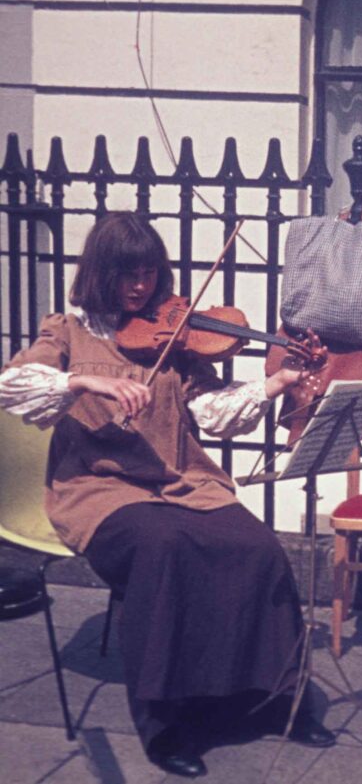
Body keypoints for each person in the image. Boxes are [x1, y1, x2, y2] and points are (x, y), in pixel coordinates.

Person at [0, 212, 334, 778]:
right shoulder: (67, 330)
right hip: (98, 488)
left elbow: (211, 412)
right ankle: (167, 724)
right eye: (127, 274)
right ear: (101, 272)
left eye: (150, 273)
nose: (141, 287)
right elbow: (13, 387)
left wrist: (275, 384)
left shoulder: (176, 340)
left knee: (259, 548)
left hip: (181, 478)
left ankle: (278, 699)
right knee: (162, 549)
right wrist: (83, 380)